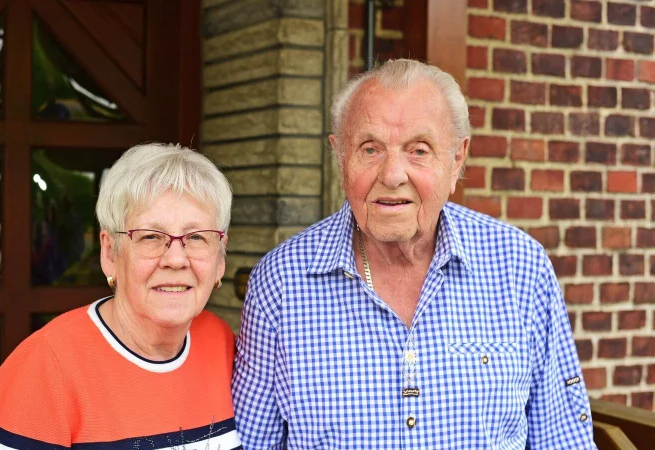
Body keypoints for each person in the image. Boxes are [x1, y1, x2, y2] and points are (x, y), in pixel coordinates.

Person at [233, 59, 595, 449]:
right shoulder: (281, 281)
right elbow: (253, 443)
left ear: (457, 158)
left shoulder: (520, 266)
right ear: (340, 156)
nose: (392, 174)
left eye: (419, 150)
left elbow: (563, 440)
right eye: (369, 149)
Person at [0, 143, 242, 449]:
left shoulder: (219, 342)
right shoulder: (44, 367)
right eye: (151, 237)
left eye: (197, 237)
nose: (175, 259)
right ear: (109, 252)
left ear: (220, 259)